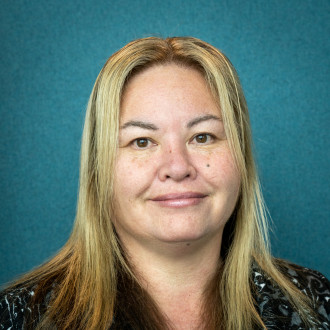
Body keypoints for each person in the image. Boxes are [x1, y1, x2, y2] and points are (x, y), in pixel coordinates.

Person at [0, 36, 329, 330]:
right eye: (142, 141)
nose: (177, 167)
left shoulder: (316, 305)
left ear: (241, 157)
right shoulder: (20, 318)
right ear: (98, 170)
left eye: (203, 137)